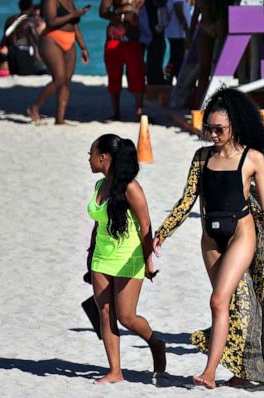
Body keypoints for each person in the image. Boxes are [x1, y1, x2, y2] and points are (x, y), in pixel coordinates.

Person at [153, 88, 264, 390]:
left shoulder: (253, 158)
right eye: (208, 128)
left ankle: (209, 373)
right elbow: (187, 200)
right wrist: (163, 232)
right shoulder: (202, 157)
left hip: (240, 234)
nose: (212, 134)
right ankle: (240, 370)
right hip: (210, 238)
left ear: (234, 125)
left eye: (218, 129)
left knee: (219, 300)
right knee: (234, 305)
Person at [86, 134, 166, 383]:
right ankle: (115, 371)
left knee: (126, 316)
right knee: (105, 314)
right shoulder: (100, 186)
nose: (89, 159)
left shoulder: (131, 187)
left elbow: (145, 225)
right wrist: (90, 257)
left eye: (91, 154)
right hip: (101, 257)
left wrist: (148, 261)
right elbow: (98, 224)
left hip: (128, 257)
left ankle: (155, 343)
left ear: (103, 157)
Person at [99, 0, 189, 121]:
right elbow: (102, 12)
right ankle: (116, 112)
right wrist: (120, 17)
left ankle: (138, 111)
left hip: (133, 38)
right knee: (114, 77)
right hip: (115, 37)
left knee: (138, 76)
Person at [27, 0, 90, 125]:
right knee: (59, 79)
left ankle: (60, 119)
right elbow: (52, 21)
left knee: (67, 81)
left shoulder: (70, 1)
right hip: (52, 40)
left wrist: (83, 47)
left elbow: (75, 27)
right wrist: (73, 15)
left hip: (70, 40)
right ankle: (34, 107)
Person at [190, 0, 239, 107]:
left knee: (215, 68)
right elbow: (196, 12)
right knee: (208, 69)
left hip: (212, 23)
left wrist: (189, 34)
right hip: (213, 23)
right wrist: (189, 34)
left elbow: (196, 12)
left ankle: (204, 102)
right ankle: (201, 102)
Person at [163, 0, 190, 82]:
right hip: (177, 33)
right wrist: (186, 29)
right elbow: (179, 12)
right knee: (176, 58)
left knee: (175, 58)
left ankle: (171, 78)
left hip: (174, 32)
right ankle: (168, 78)